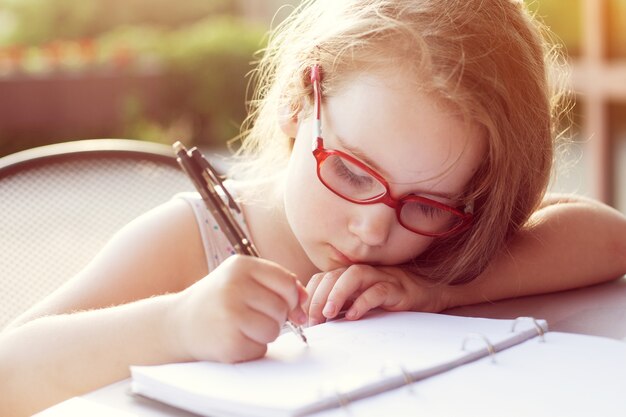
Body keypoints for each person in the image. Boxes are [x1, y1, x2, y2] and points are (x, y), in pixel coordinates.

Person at [2, 0, 626, 415]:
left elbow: (607, 237)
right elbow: (9, 371)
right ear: (300, 105)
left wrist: (438, 290)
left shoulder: (431, 248)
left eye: (430, 204)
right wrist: (173, 325)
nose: (374, 228)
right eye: (353, 172)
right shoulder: (192, 241)